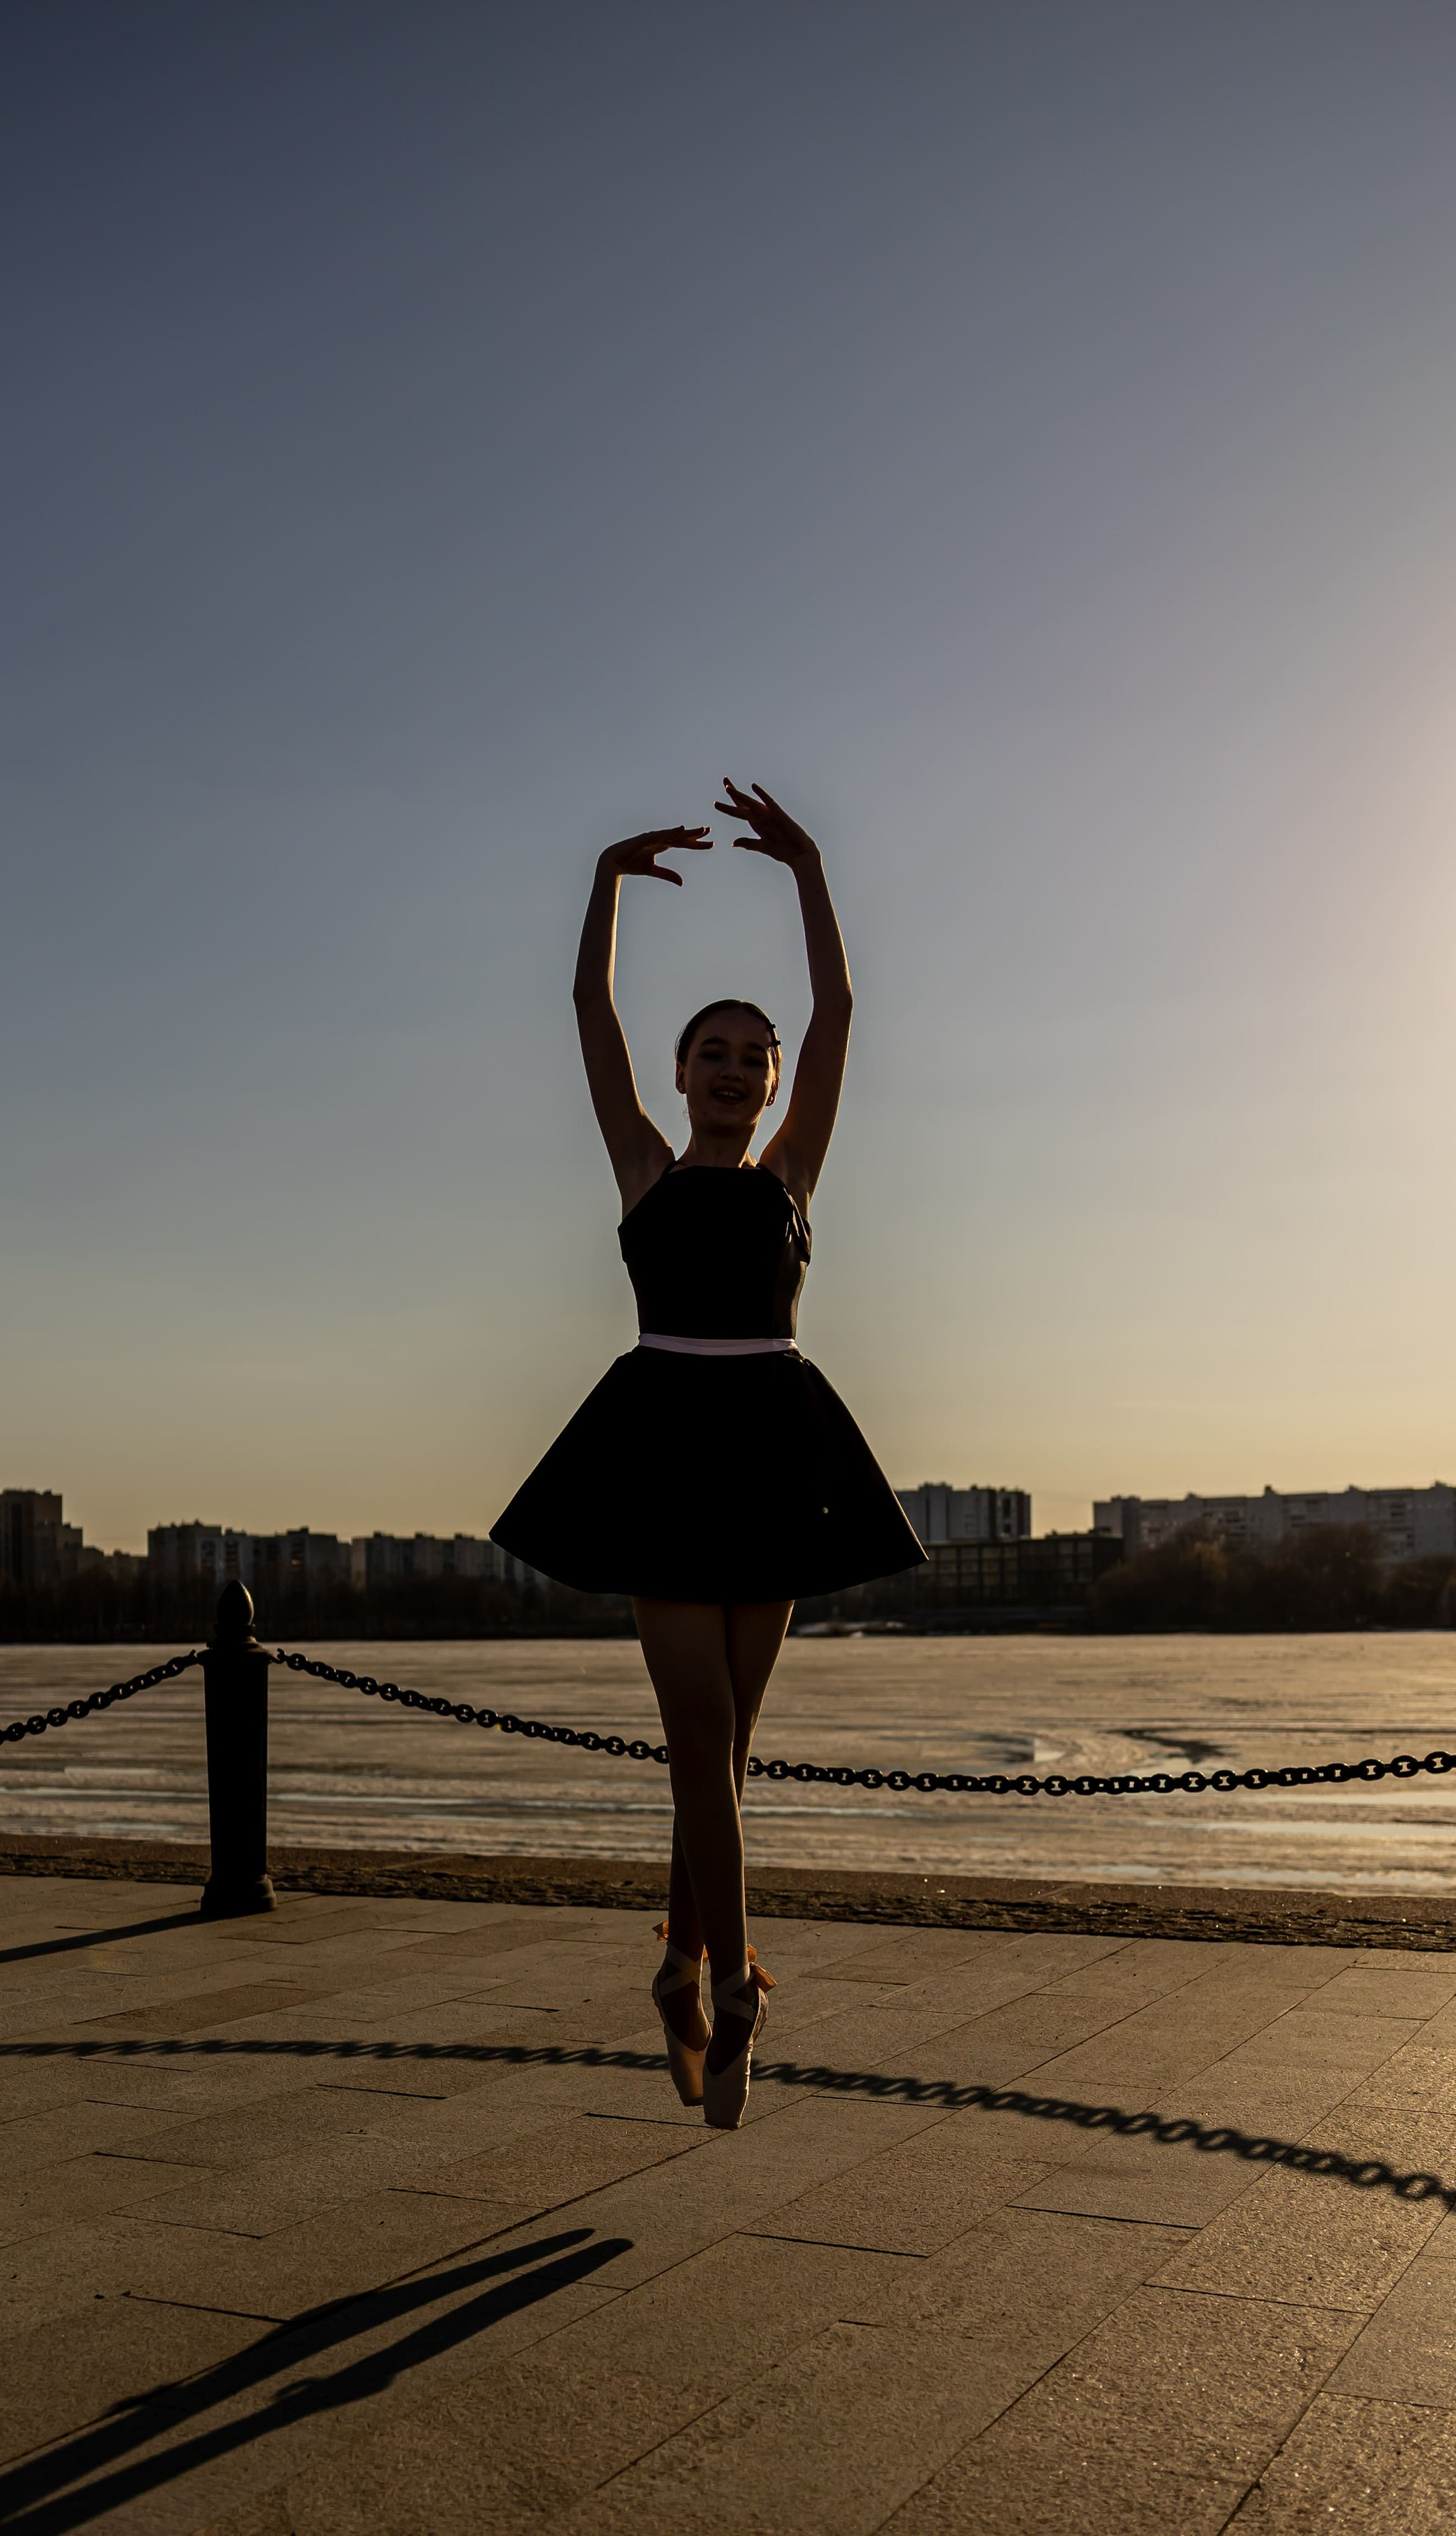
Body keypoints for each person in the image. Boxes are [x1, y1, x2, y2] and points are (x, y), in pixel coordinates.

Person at [492, 782, 923, 2129]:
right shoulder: (643, 1171)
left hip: (777, 1457)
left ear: (775, 1083)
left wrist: (806, 869)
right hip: (665, 1457)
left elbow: (843, 1014)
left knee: (727, 1757)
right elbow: (586, 1016)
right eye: (714, 1054)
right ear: (681, 1077)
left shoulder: (791, 1182)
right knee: (697, 1754)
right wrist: (604, 882)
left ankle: (676, 1964)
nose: (735, 1070)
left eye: (755, 1056)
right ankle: (734, 1986)